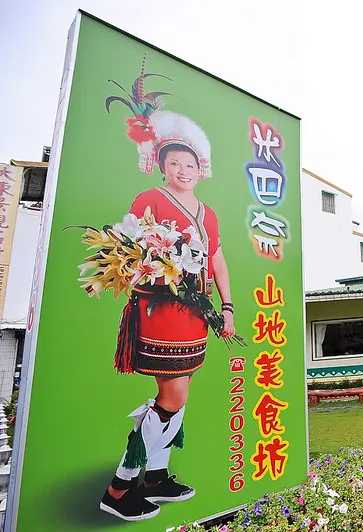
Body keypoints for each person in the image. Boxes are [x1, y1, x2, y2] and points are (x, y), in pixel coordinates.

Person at [99, 107, 236, 521]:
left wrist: (226, 308)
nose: (182, 169)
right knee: (171, 396)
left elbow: (217, 260)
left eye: (189, 163)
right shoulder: (150, 200)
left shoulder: (208, 212)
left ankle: (156, 476)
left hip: (197, 314)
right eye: (173, 163)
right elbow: (125, 248)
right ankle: (119, 488)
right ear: (161, 166)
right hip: (161, 310)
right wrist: (155, 265)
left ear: (201, 168)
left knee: (181, 394)